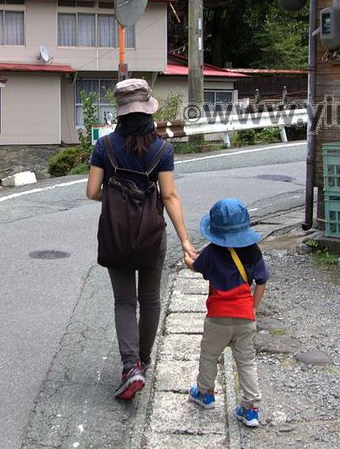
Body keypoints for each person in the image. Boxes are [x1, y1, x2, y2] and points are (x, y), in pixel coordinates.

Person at [86, 78, 197, 401]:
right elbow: (170, 196)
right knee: (149, 300)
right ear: (148, 112)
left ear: (120, 113)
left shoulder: (104, 147)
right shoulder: (163, 149)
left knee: (124, 301)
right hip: (151, 235)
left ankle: (129, 366)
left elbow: (92, 191)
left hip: (116, 234)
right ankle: (143, 362)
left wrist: (119, 196)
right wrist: (186, 241)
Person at [186, 198, 269, 428]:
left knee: (209, 355)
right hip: (245, 317)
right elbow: (261, 281)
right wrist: (253, 306)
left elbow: (196, 266)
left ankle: (205, 393)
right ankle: (251, 409)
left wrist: (187, 259)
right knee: (246, 361)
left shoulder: (212, 252)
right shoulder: (253, 251)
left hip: (218, 317)